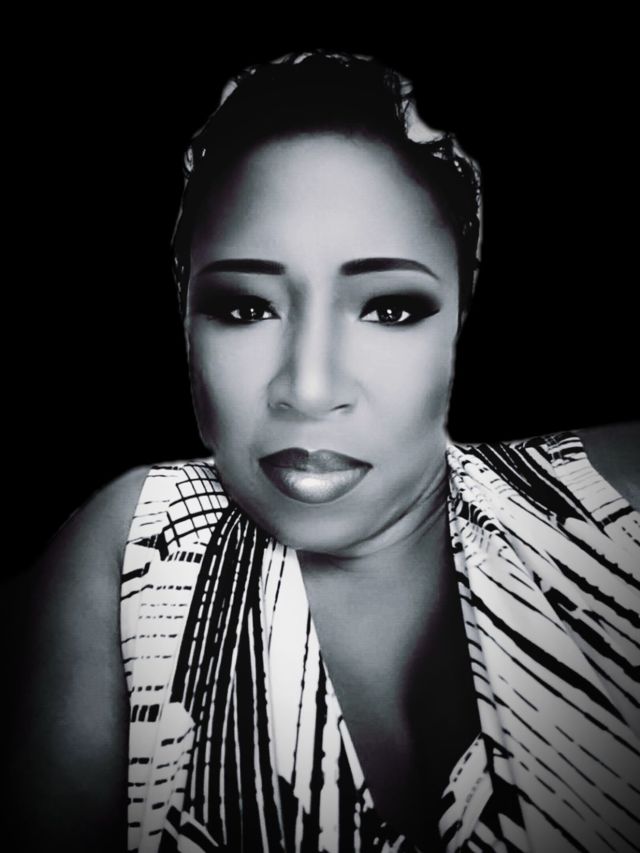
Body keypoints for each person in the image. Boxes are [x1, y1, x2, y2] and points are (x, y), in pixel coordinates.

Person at [9, 49, 639, 853]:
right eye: (245, 307)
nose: (309, 388)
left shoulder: (616, 508)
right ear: (185, 315)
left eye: (389, 308)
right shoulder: (137, 553)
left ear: (461, 312)